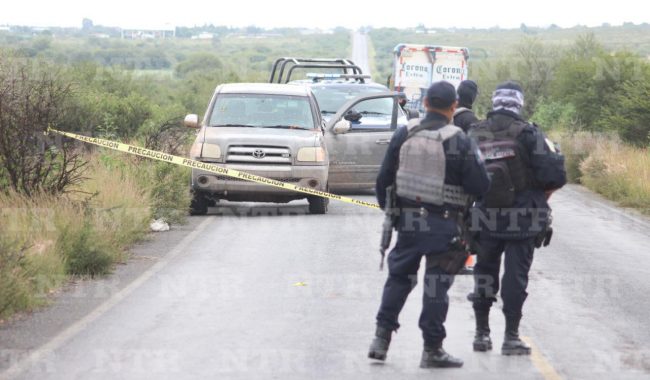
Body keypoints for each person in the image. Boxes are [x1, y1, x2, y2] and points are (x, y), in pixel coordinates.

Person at [368, 81, 490, 368]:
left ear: (424, 104)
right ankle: (432, 349)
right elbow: (480, 185)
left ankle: (381, 340)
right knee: (436, 287)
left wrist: (394, 214)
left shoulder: (404, 133)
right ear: (453, 107)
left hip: (409, 222)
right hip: (445, 226)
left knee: (398, 280)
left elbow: (384, 180)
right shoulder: (460, 140)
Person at [468, 81, 566, 355]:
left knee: (484, 274)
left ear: (495, 102)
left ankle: (481, 334)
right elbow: (556, 176)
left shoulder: (473, 133)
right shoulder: (529, 134)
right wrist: (538, 198)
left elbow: (462, 178)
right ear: (519, 104)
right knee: (515, 277)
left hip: (485, 216)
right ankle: (511, 337)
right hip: (522, 220)